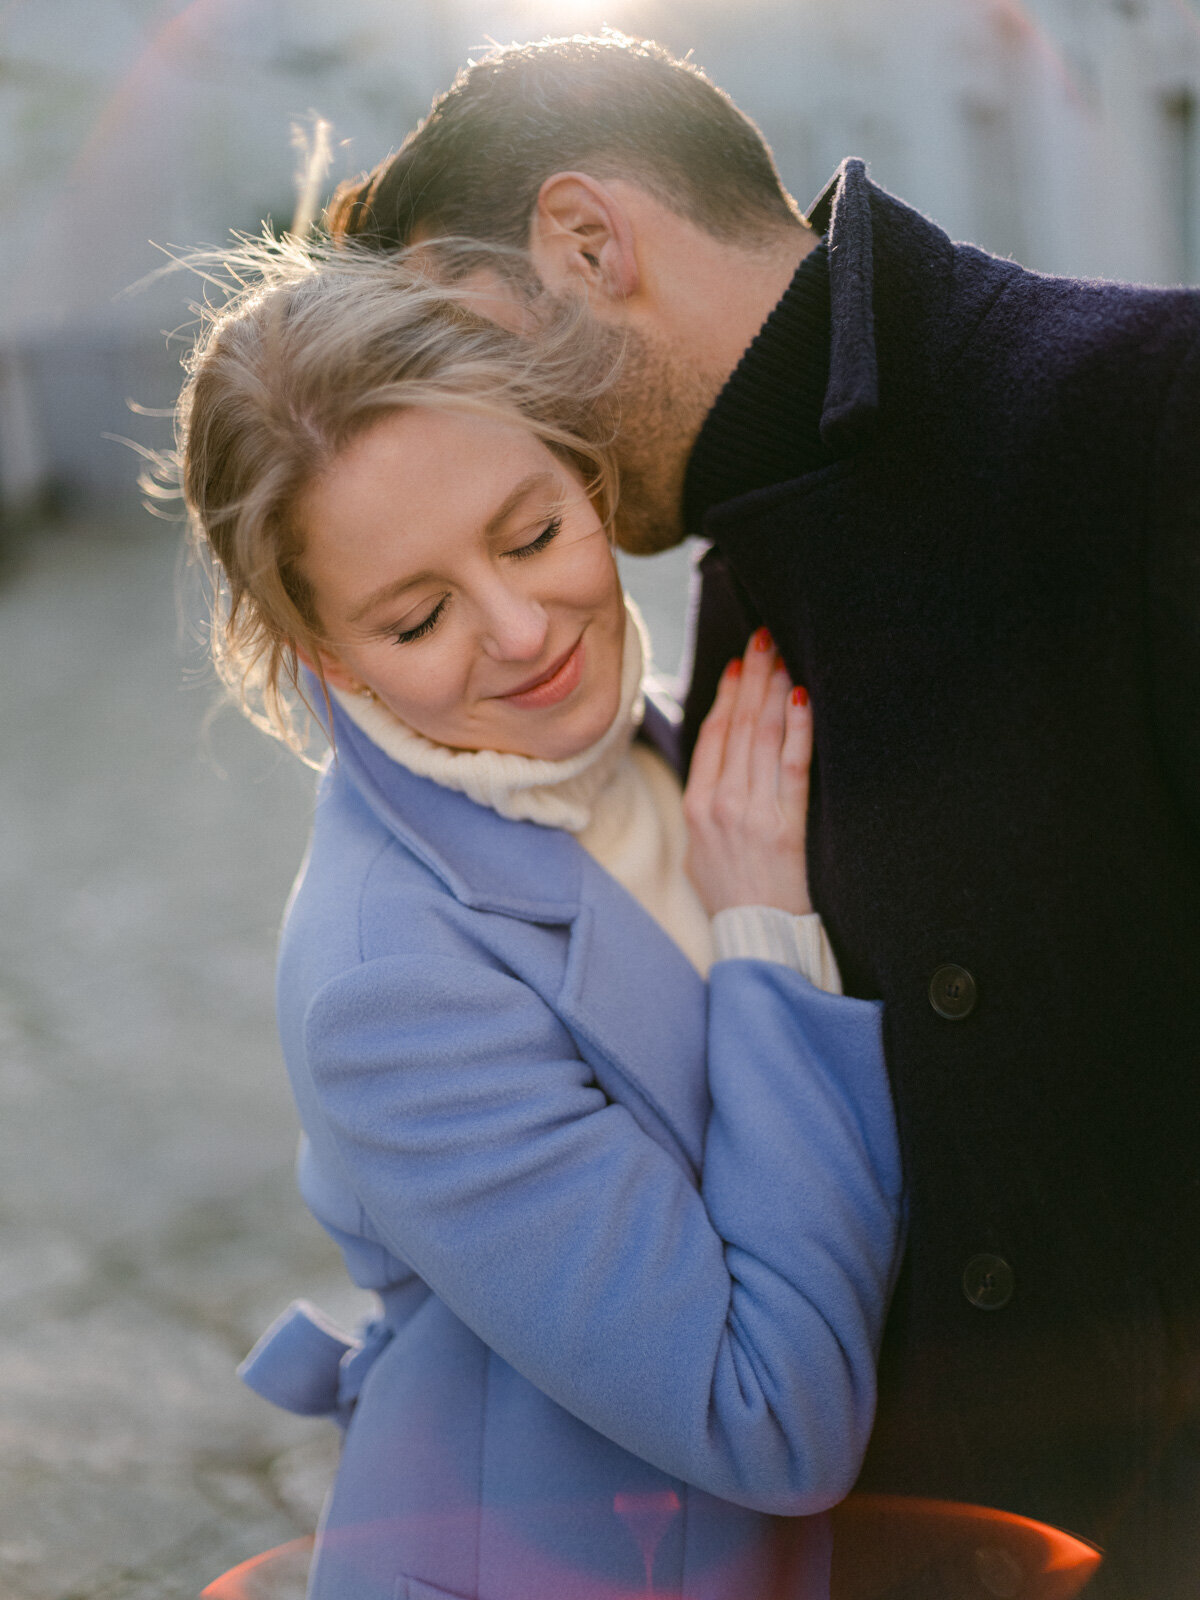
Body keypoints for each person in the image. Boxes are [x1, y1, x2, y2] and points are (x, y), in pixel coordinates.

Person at [326, 33, 1200, 1596]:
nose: (478, 421)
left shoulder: (1157, 419)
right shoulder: (731, 587)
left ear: (589, 244)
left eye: (474, 350)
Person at [175, 240, 902, 1600]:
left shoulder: (657, 732)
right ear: (326, 653)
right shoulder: (388, 991)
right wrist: (765, 940)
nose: (520, 632)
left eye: (531, 534)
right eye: (419, 617)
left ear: (582, 469)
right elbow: (770, 1419)